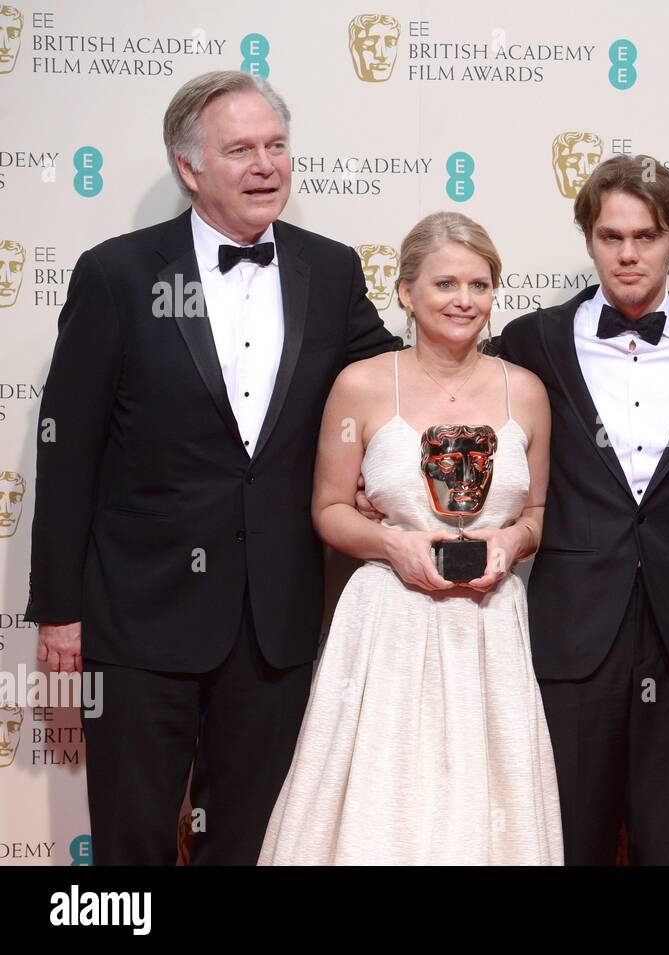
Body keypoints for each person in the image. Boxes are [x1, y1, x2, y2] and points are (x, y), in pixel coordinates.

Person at [25, 71, 403, 864]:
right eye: (241, 150)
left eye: (276, 146)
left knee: (255, 840)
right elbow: (67, 451)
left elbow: (396, 387)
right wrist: (59, 613)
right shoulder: (118, 274)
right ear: (189, 167)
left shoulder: (329, 271)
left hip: (277, 619)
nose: (267, 165)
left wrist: (520, 362)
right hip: (139, 619)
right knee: (129, 844)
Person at [259, 212, 561, 864]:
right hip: (385, 624)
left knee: (487, 810)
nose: (464, 300)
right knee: (383, 804)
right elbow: (330, 508)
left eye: (480, 285)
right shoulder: (361, 384)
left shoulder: (527, 392)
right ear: (405, 292)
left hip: (488, 624)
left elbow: (536, 510)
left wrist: (511, 544)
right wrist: (393, 546)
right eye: (446, 282)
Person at [498, 155, 669, 865]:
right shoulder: (530, 342)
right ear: (589, 240)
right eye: (611, 236)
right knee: (572, 838)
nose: (629, 253)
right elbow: (449, 406)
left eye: (646, 235)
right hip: (573, 626)